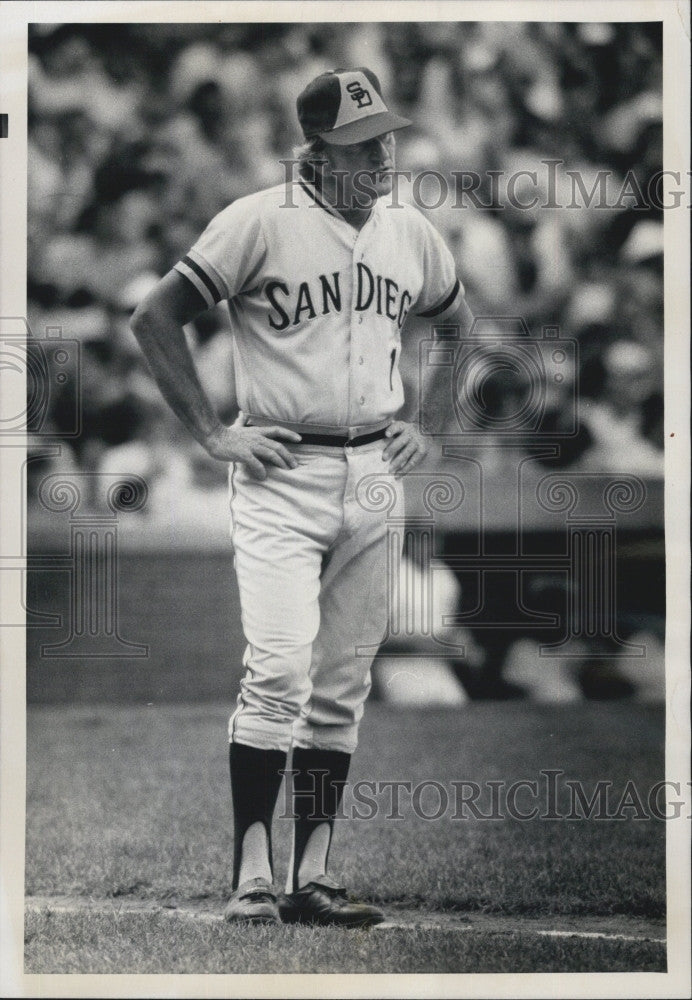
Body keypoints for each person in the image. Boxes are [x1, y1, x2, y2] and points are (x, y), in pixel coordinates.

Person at [131, 66, 474, 927]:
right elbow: (154, 317)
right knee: (280, 668)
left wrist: (430, 425)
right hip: (283, 474)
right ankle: (252, 871)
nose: (382, 157)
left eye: (386, 139)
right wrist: (213, 434)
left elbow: (459, 322)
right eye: (361, 145)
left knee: (341, 684)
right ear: (315, 154)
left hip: (372, 474)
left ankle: (312, 876)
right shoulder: (258, 221)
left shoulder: (408, 231)